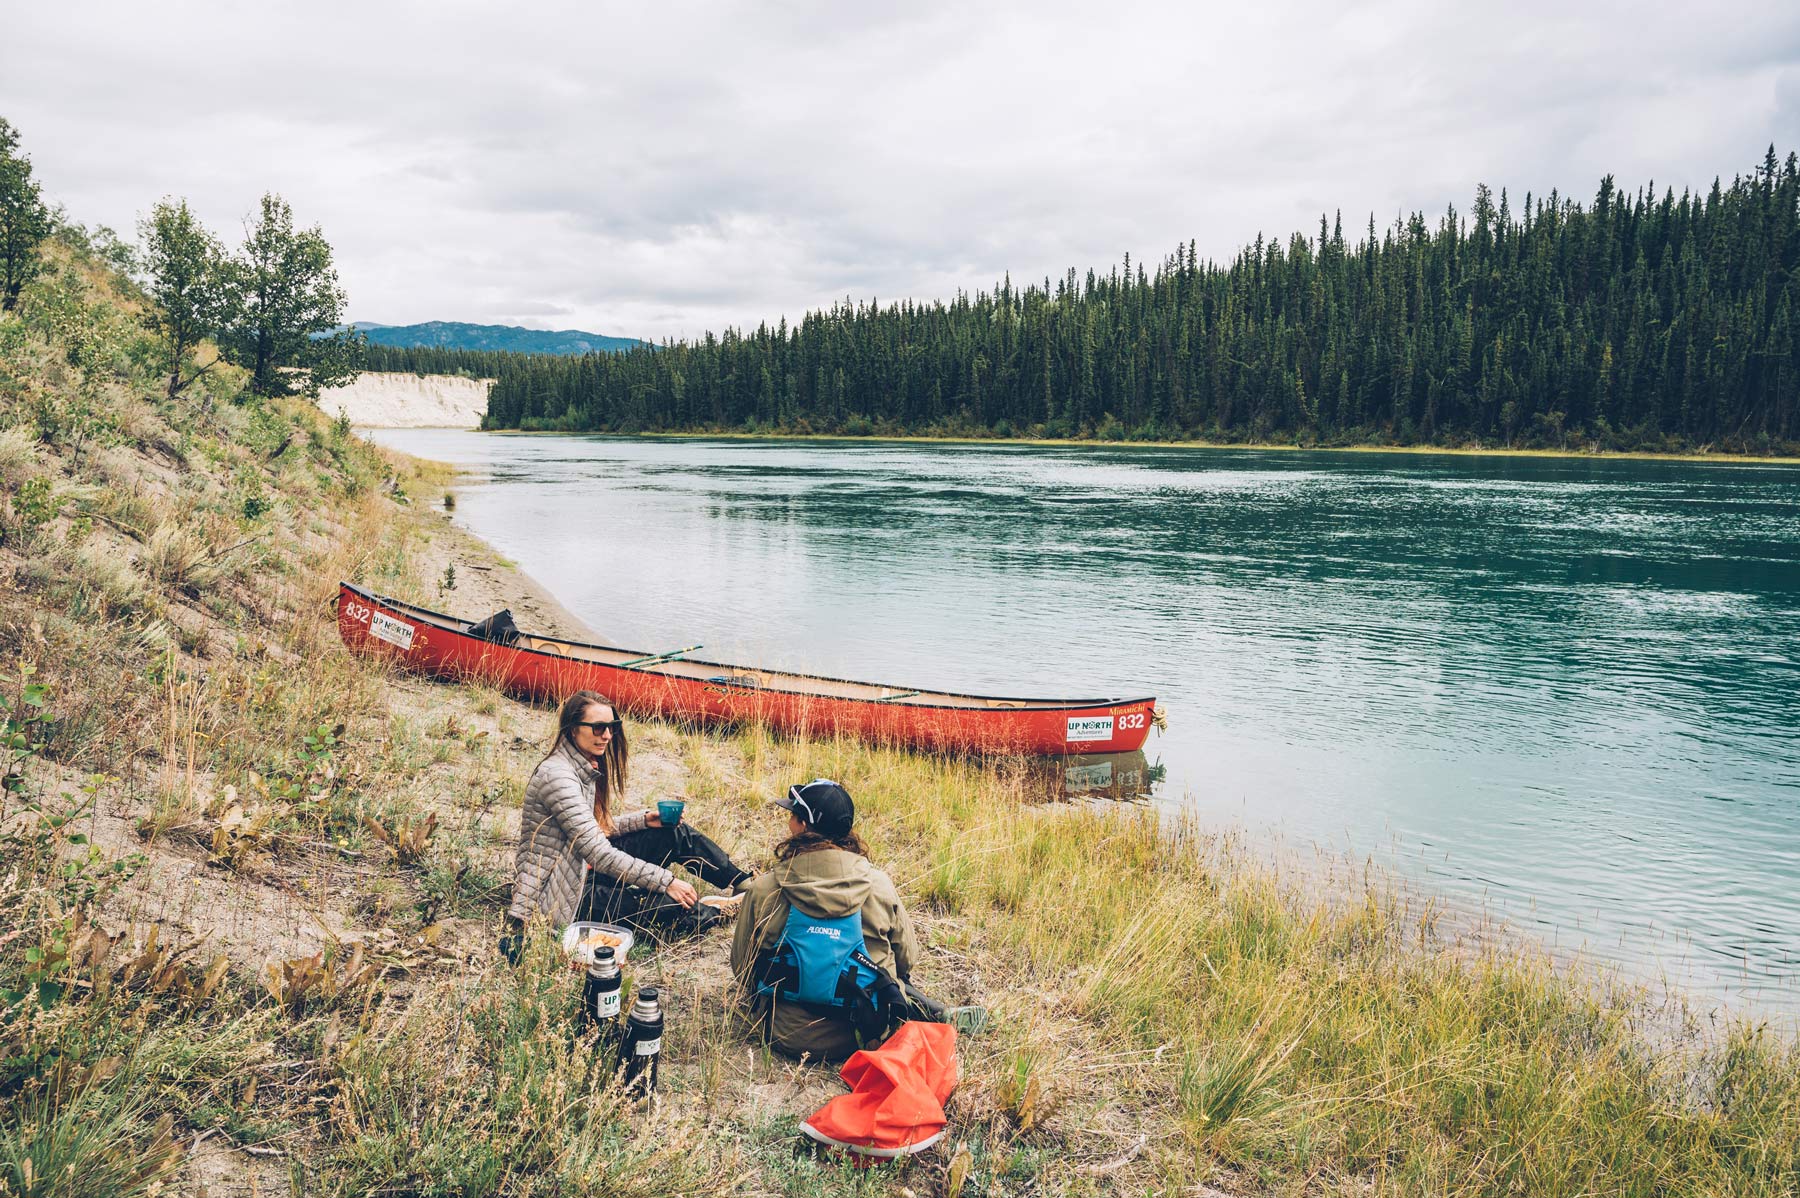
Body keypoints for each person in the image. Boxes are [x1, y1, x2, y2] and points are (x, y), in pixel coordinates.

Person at [504, 690, 752, 962]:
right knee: (666, 905)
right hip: (562, 893)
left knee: (671, 832)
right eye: (599, 728)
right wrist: (665, 881)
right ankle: (714, 910)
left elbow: (593, 828)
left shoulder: (581, 765)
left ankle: (743, 883)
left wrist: (644, 820)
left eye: (612, 727)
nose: (608, 736)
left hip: (583, 868)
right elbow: (598, 852)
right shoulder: (558, 777)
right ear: (573, 729)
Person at [730, 778, 923, 1062]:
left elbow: (741, 967)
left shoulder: (765, 888)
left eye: (793, 815)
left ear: (804, 827)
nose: (789, 822)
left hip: (780, 1032)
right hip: (863, 1034)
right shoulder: (879, 885)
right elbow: (908, 959)